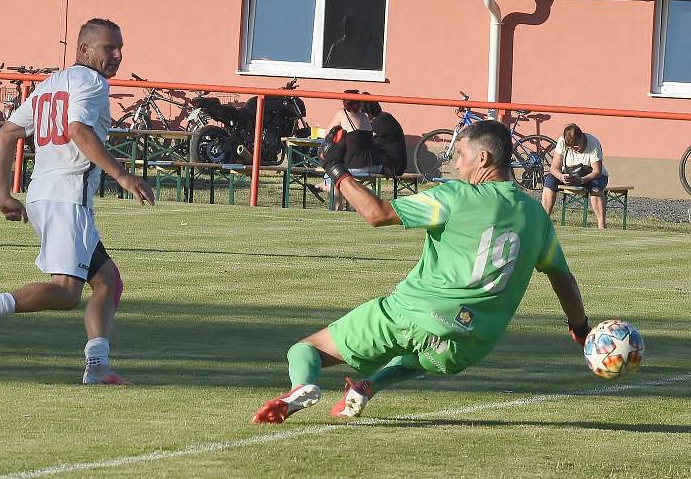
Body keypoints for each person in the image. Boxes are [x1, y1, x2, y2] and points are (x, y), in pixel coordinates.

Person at [252, 120, 591, 424]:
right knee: (422, 356)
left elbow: (377, 213)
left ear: (483, 159)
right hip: (472, 342)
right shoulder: (536, 216)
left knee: (305, 350)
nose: (455, 164)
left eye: (460, 154)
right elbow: (563, 279)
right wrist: (579, 328)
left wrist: (336, 168)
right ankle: (368, 386)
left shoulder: (456, 196)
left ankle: (303, 387)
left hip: (411, 314)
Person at [0, 18, 155, 385]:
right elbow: (78, 130)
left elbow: (7, 133)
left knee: (109, 282)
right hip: (66, 198)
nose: (118, 55)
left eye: (119, 47)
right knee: (65, 292)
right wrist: (122, 175)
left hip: (45, 195)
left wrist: (2, 193)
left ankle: (98, 366)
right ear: (84, 50)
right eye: (109, 47)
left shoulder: (49, 85)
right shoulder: (92, 83)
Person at [541, 123, 608, 229]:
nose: (574, 149)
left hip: (592, 175)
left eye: (576, 145)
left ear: (581, 137)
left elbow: (597, 171)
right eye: (571, 147)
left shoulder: (593, 143)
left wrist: (581, 180)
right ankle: (543, 222)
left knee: (596, 187)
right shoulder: (562, 142)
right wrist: (561, 177)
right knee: (549, 180)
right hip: (569, 173)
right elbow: (554, 168)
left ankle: (601, 226)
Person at [322, 90, 381, 210]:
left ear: (344, 103)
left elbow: (327, 134)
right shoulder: (365, 117)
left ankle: (336, 205)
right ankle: (349, 205)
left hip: (356, 166)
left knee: (333, 171)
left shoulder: (341, 113)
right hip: (373, 164)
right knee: (340, 169)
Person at [363, 96, 407, 176]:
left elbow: (362, 136)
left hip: (392, 166)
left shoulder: (381, 121)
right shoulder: (384, 117)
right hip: (394, 164)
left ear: (367, 112)